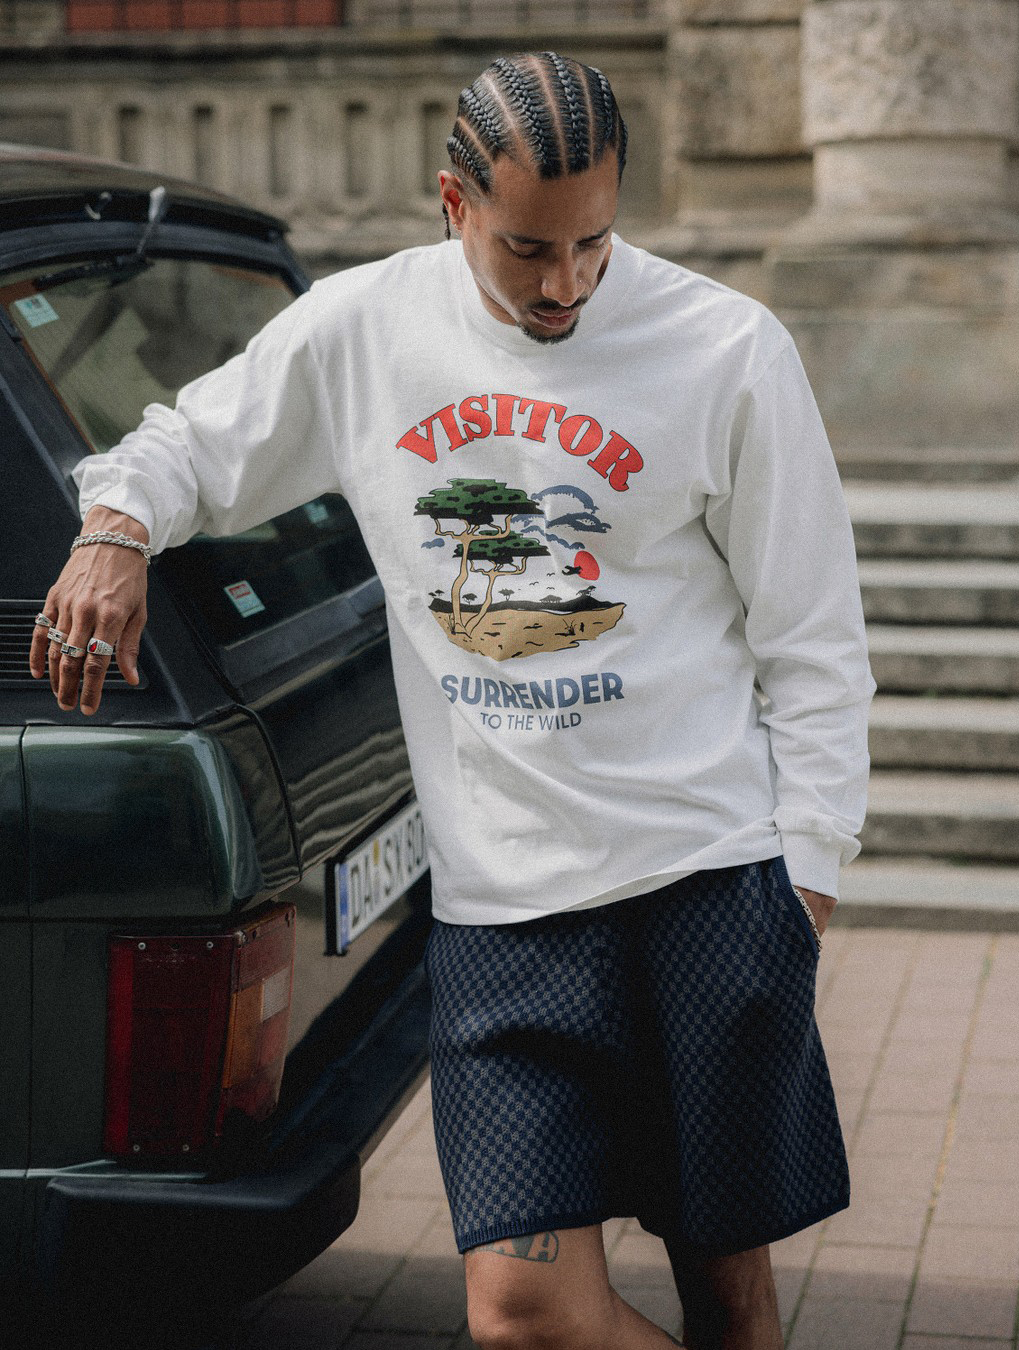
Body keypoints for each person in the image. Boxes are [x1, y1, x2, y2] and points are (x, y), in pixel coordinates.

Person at [30, 51, 874, 1350]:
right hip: (504, 908)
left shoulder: (726, 349)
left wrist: (803, 881)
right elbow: (190, 441)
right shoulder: (364, 331)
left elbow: (813, 638)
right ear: (452, 203)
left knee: (731, 1293)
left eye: (593, 243)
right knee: (523, 1313)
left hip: (707, 883)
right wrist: (116, 530)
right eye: (528, 249)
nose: (565, 285)